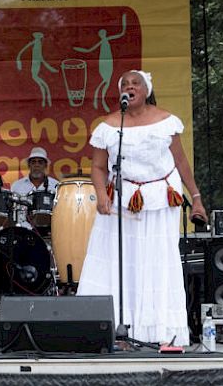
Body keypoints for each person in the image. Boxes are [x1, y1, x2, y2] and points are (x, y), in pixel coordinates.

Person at [77, 70, 207, 347]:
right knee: (120, 264)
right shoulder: (109, 126)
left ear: (147, 89)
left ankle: (162, 332)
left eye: (136, 83)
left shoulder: (166, 121)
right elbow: (98, 167)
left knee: (157, 263)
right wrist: (101, 194)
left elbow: (181, 162)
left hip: (161, 199)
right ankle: (117, 331)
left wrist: (195, 197)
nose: (130, 86)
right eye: (125, 84)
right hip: (122, 203)